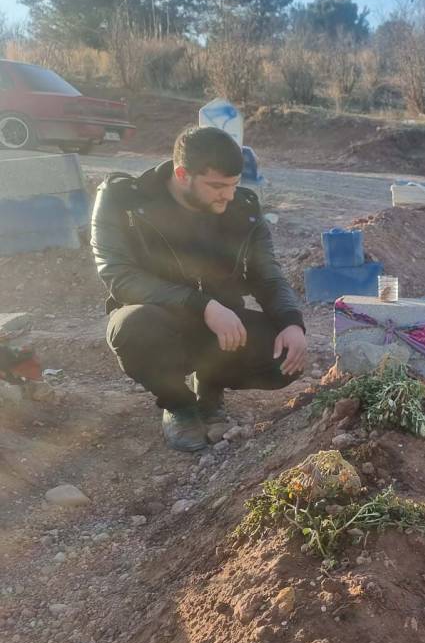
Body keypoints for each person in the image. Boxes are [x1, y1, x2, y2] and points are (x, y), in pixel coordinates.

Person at [90, 126, 307, 452]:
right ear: (182, 174)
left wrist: (292, 321)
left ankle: (210, 388)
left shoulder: (243, 209)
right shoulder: (124, 201)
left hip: (223, 326)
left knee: (284, 357)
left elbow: (268, 275)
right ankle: (178, 406)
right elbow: (119, 276)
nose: (229, 195)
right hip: (160, 319)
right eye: (217, 186)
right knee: (131, 327)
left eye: (234, 185)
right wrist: (202, 305)